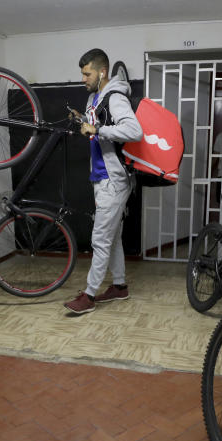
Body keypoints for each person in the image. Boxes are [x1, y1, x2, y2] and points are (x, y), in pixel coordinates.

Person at [64, 48, 143, 315]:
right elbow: (94, 127)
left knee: (100, 239)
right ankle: (119, 286)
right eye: (82, 74)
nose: (83, 79)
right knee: (113, 237)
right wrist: (84, 120)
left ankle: (88, 296)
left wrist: (97, 129)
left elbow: (134, 131)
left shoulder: (116, 97)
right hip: (100, 176)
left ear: (102, 72)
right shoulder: (93, 98)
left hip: (114, 179)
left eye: (87, 74)